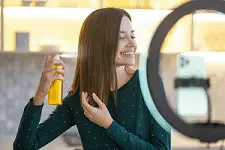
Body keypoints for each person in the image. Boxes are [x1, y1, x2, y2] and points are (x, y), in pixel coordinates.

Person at [13, 7, 171, 150]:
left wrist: (109, 125)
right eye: (121, 37)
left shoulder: (150, 84)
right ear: (98, 44)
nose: (132, 44)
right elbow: (24, 147)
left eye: (132, 36)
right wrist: (40, 95)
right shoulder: (79, 99)